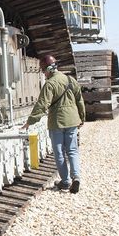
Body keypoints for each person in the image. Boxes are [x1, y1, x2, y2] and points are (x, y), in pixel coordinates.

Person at [20, 55, 86, 193]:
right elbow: (79, 99)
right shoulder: (70, 80)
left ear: (48, 69)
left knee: (59, 153)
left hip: (57, 122)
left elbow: (42, 105)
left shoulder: (49, 84)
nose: (43, 74)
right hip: (72, 120)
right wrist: (82, 117)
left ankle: (66, 181)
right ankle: (76, 177)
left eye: (43, 71)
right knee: (72, 150)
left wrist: (30, 122)